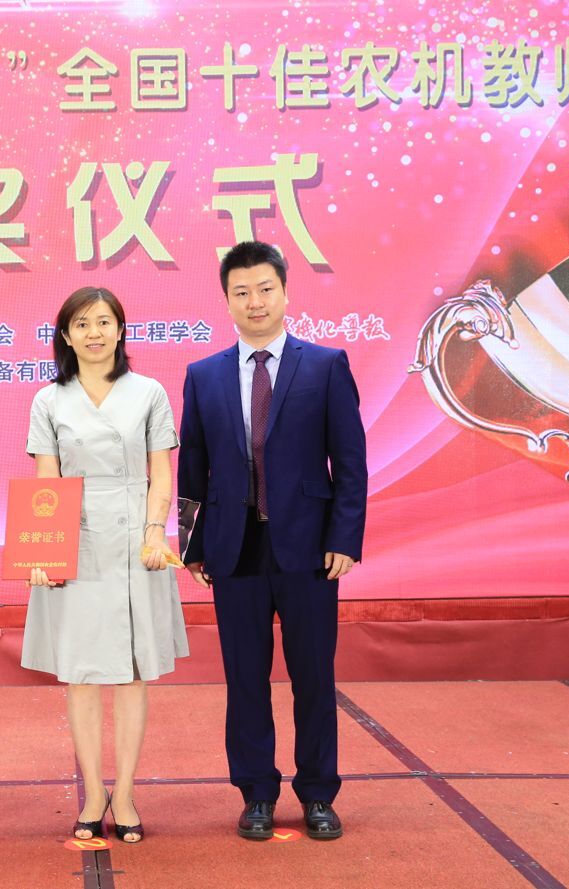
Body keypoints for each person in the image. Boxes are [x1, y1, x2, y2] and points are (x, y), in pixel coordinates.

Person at [178, 241, 367, 842]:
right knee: (245, 679)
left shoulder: (325, 365)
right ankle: (256, 792)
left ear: (285, 293)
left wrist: (345, 537)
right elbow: (192, 467)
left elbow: (350, 461)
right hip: (234, 549)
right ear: (226, 300)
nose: (254, 301)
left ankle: (318, 793)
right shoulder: (204, 375)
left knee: (313, 676)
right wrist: (192, 544)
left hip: (309, 548)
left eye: (265, 289)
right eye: (241, 292)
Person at [22, 286, 189, 844]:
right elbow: (46, 481)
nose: (94, 333)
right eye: (82, 324)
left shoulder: (149, 392)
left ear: (120, 329)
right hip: (77, 541)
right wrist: (45, 549)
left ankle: (127, 792)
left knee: (134, 674)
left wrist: (155, 531)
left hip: (137, 542)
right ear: (65, 336)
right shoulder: (49, 400)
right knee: (81, 674)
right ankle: (94, 792)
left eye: (103, 322)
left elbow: (161, 472)